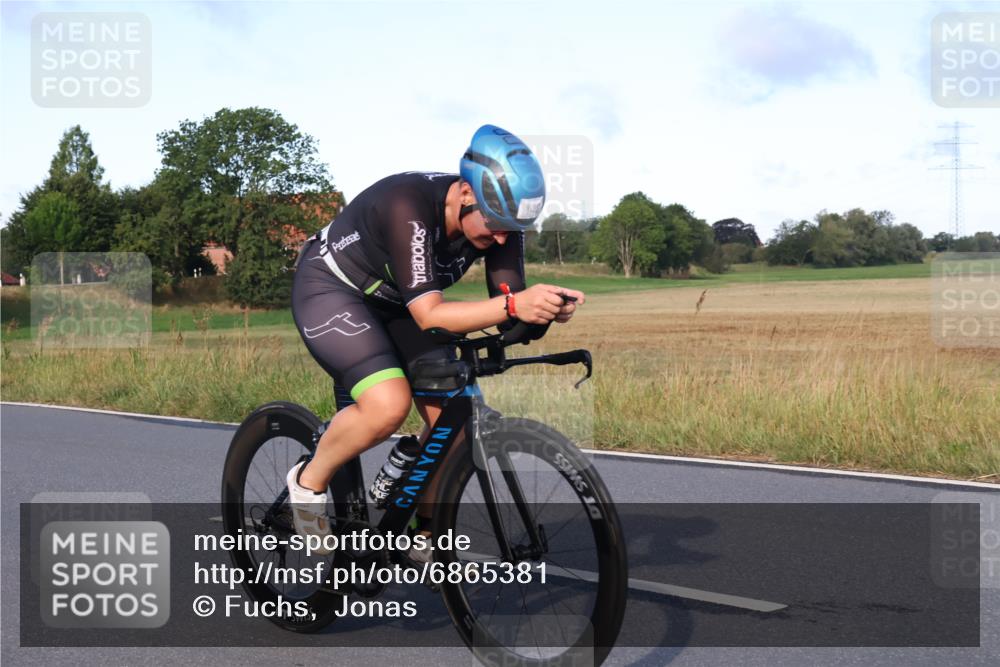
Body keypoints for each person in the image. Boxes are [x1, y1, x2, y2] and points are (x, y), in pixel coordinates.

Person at [286, 124, 585, 560]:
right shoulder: (407, 204)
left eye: (513, 229)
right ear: (466, 192)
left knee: (457, 425)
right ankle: (308, 482)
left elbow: (507, 306)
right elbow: (431, 313)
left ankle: (421, 532)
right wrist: (515, 307)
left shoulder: (499, 224)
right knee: (388, 406)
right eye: (497, 224)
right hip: (334, 290)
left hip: (398, 304)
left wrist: (540, 314)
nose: (502, 239)